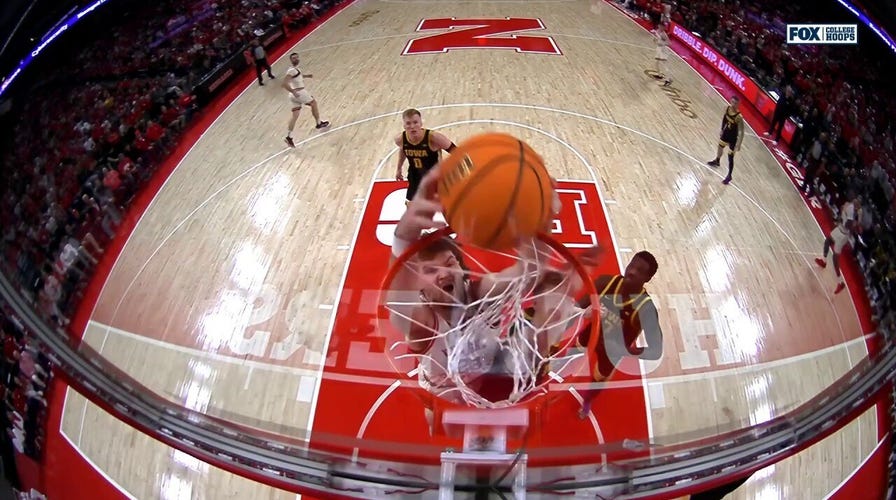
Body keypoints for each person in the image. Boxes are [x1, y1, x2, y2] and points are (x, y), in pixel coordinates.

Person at [388, 165, 573, 409]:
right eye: (430, 271)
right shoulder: (422, 323)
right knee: (440, 430)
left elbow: (529, 270)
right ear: (418, 286)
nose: (444, 273)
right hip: (442, 394)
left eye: (449, 263)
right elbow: (397, 289)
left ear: (463, 269)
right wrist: (418, 210)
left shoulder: (482, 294)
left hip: (483, 376)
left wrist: (540, 215)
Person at [575, 251, 662, 419]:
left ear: (647, 279)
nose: (632, 271)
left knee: (597, 381)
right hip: (592, 334)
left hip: (613, 352)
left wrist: (626, 351)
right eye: (632, 265)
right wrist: (582, 311)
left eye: (640, 271)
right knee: (570, 355)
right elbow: (578, 306)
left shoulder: (646, 310)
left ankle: (587, 402)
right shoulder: (606, 283)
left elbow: (656, 351)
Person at [394, 109, 456, 203]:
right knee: (411, 205)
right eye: (408, 123)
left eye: (415, 122)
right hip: (415, 175)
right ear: (404, 125)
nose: (412, 126)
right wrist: (399, 168)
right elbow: (403, 150)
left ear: (421, 123)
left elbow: (456, 151)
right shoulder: (400, 139)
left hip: (435, 176)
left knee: (445, 205)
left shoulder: (434, 138)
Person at [815, 195, 861, 294]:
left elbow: (849, 225)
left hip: (843, 234)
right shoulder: (851, 207)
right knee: (827, 242)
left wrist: (844, 217)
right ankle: (823, 261)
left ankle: (840, 282)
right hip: (841, 230)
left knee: (835, 258)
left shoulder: (852, 209)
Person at [282, 52, 329, 147]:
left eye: (296, 58)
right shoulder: (291, 71)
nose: (296, 59)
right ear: (291, 60)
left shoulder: (295, 70)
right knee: (313, 103)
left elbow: (298, 76)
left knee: (295, 116)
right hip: (298, 92)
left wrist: (307, 76)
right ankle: (319, 123)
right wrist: (293, 91)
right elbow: (284, 83)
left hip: (292, 95)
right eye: (294, 58)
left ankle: (289, 137)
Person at [707, 96, 745, 185]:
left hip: (733, 138)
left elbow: (741, 132)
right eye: (732, 102)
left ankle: (729, 175)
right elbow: (724, 119)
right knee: (720, 147)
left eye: (735, 103)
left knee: (730, 157)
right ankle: (717, 160)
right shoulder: (727, 108)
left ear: (738, 104)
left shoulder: (739, 117)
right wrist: (721, 129)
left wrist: (739, 144)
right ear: (730, 101)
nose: (733, 104)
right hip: (726, 133)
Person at [652, 21, 672, 86]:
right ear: (659, 25)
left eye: (664, 26)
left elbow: (669, 43)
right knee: (656, 62)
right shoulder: (657, 31)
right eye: (662, 26)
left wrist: (662, 43)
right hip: (659, 49)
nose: (663, 27)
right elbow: (655, 39)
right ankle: (659, 75)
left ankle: (668, 80)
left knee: (664, 65)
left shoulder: (664, 34)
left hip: (663, 50)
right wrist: (655, 40)